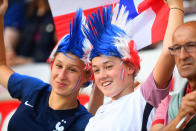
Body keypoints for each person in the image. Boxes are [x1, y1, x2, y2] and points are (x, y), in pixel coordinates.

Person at [84, 0, 184, 130]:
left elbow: (169, 53)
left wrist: (176, 7)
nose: (102, 75)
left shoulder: (143, 97)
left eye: (108, 66)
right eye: (96, 70)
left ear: (130, 67)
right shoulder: (98, 115)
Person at [0, 0, 92, 130]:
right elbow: (1, 66)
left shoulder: (85, 124)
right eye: (59, 66)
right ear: (51, 65)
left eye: (72, 70)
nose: (62, 75)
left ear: (87, 76)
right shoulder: (34, 89)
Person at [151, 21, 196, 131]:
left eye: (190, 46)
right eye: (176, 48)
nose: (182, 56)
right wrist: (180, 118)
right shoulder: (169, 103)